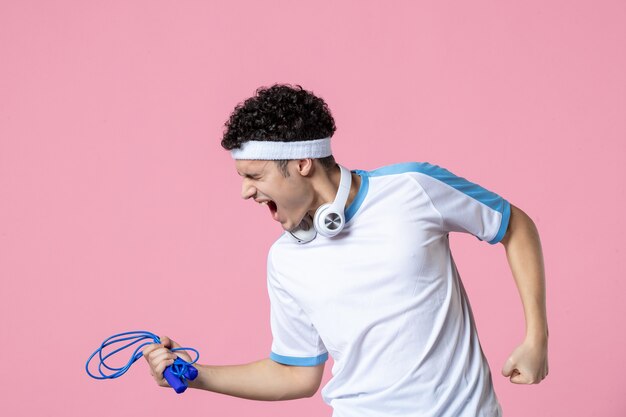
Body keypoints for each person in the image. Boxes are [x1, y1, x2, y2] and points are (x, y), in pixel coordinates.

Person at [143, 84, 549, 416]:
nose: (245, 191)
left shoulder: (413, 188)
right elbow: (296, 375)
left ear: (302, 162)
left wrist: (536, 338)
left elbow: (514, 224)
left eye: (255, 175)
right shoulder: (284, 261)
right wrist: (196, 376)